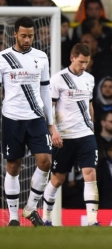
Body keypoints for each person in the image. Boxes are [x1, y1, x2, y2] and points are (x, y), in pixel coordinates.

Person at [0, 17, 53, 226]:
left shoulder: (41, 57)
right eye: (23, 35)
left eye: (31, 35)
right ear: (15, 34)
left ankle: (30, 208)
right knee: (13, 166)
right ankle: (13, 217)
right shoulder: (3, 58)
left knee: (45, 161)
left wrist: (51, 123)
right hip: (12, 117)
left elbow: (45, 89)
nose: (27, 39)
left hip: (36, 118)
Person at [42, 43, 99, 226]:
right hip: (64, 136)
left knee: (90, 172)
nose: (84, 66)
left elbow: (90, 105)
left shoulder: (90, 79)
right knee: (58, 178)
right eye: (81, 61)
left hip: (85, 135)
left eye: (87, 62)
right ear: (72, 58)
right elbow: (49, 107)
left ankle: (92, 221)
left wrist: (92, 126)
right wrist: (53, 131)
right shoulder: (58, 79)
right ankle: (46, 218)